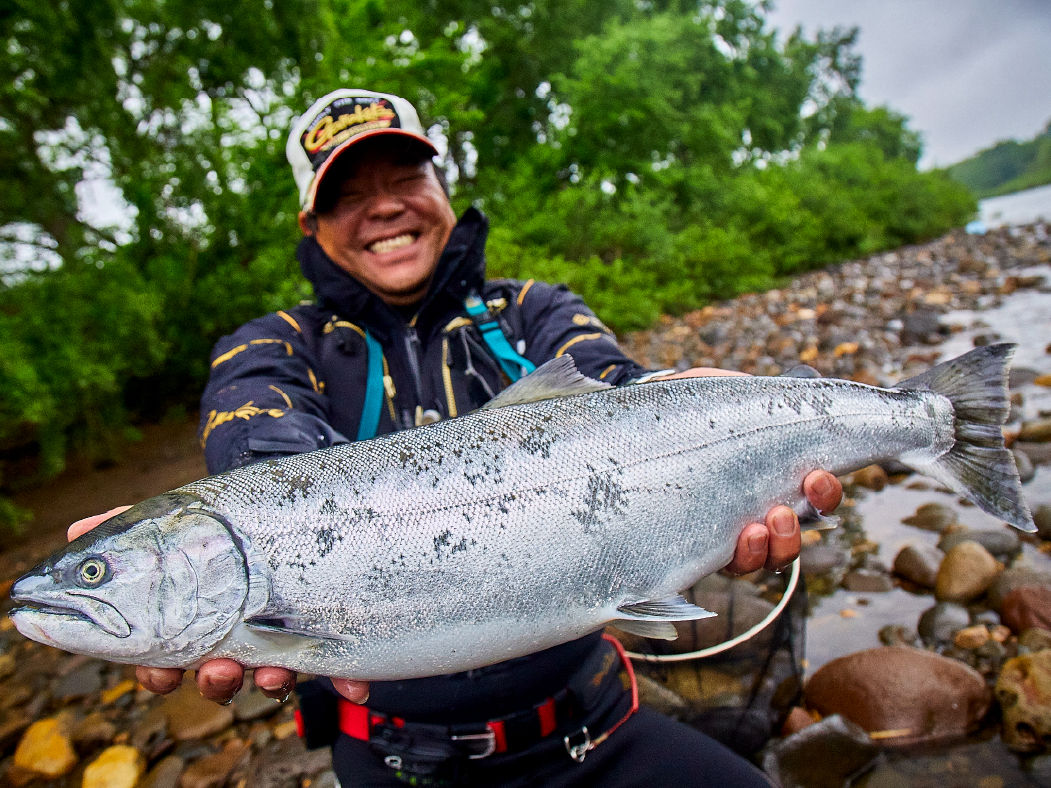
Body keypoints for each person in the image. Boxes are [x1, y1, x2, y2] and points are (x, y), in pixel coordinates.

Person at [70, 89, 842, 787]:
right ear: (311, 224)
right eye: (346, 194)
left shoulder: (534, 310)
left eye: (403, 178)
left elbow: (618, 392)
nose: (381, 207)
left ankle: (935, 420)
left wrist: (698, 412)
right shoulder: (268, 346)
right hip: (393, 762)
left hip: (595, 729)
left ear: (442, 190)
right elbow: (256, 451)